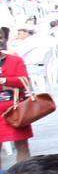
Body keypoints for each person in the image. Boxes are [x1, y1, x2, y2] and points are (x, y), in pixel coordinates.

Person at [0, 29, 35, 163]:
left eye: (1, 37)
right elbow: (17, 81)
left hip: (16, 109)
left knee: (22, 145)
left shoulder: (16, 60)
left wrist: (3, 80)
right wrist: (10, 82)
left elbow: (23, 81)